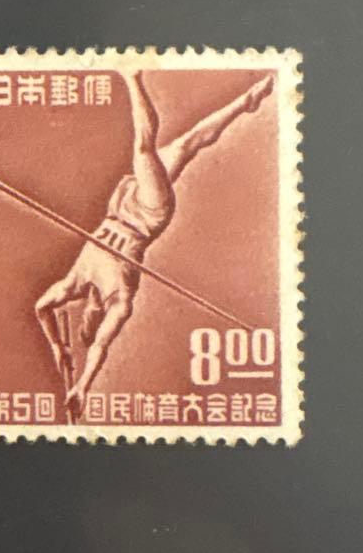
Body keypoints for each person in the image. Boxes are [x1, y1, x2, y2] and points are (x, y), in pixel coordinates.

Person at [35, 71, 273, 419]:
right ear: (97, 317)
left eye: (86, 317)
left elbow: (41, 307)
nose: (89, 315)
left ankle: (246, 101)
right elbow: (100, 346)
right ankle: (133, 77)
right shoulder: (120, 300)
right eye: (91, 321)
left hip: (121, 203)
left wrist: (58, 347)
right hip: (147, 213)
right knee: (144, 149)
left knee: (190, 144)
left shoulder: (74, 283)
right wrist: (82, 386)